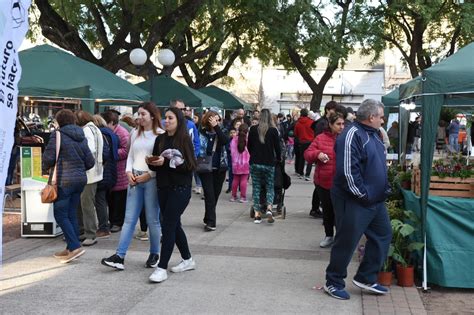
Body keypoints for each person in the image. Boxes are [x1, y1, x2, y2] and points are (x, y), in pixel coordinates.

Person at [324, 99, 391, 300]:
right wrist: (364, 195)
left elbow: (378, 164)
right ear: (371, 117)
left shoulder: (375, 134)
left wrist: (383, 189)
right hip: (355, 199)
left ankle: (366, 277)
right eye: (381, 116)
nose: (382, 119)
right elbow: (347, 172)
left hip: (374, 200)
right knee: (347, 240)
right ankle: (333, 282)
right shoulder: (351, 134)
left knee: (383, 235)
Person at [101, 102, 163, 270]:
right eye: (138, 114)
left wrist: (149, 175)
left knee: (152, 219)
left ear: (152, 115)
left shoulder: (160, 135)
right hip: (134, 177)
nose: (139, 117)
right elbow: (130, 155)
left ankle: (155, 253)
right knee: (129, 220)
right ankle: (119, 256)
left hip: (151, 179)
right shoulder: (134, 132)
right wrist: (128, 173)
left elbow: (161, 162)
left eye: (143, 114)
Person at [147, 107, 197, 283]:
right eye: (165, 118)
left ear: (178, 121)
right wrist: (153, 162)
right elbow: (154, 166)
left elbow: (190, 166)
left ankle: (162, 268)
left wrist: (168, 162)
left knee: (168, 226)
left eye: (170, 118)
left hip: (180, 189)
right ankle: (188, 259)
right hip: (163, 188)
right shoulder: (160, 139)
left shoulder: (184, 139)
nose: (166, 121)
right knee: (174, 225)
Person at [43, 109, 94, 263]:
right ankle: (70, 247)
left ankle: (74, 246)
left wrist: (47, 165)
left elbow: (48, 159)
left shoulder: (57, 135)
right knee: (71, 213)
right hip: (80, 180)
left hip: (64, 181)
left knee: (60, 214)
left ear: (59, 121)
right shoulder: (81, 136)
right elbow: (90, 162)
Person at [304, 112, 345, 248]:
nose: (341, 127)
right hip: (324, 182)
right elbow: (308, 154)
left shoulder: (346, 138)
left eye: (343, 124)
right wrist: (318, 154)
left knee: (340, 213)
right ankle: (329, 236)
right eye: (338, 124)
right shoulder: (320, 138)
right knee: (327, 212)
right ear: (330, 125)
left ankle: (340, 238)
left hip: (341, 183)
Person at [198, 108, 229, 231]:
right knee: (209, 195)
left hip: (220, 168)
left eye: (218, 119)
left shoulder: (222, 131)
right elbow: (201, 148)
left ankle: (208, 217)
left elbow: (225, 141)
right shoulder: (202, 132)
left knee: (215, 195)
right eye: (214, 119)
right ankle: (211, 222)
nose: (217, 121)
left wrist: (217, 128)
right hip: (205, 168)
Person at [247, 109, 281, 224]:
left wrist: (254, 155)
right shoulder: (273, 131)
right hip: (269, 163)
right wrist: (279, 159)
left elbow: (249, 146)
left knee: (256, 187)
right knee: (269, 186)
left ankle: (257, 214)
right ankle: (269, 208)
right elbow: (278, 148)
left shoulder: (252, 129)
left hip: (255, 162)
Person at [75, 110, 104, 247]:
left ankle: (90, 234)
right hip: (96, 172)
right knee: (86, 203)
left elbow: (90, 149)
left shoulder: (87, 130)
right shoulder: (96, 129)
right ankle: (85, 231)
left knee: (86, 204)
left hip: (88, 173)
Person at [101, 110, 130, 233]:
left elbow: (126, 150)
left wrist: (111, 153)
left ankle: (117, 222)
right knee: (111, 198)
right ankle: (112, 220)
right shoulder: (111, 132)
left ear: (111, 122)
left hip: (120, 171)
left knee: (119, 199)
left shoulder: (122, 133)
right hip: (111, 171)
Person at [92, 115, 119, 239]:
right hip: (112, 170)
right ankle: (105, 224)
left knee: (100, 199)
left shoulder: (100, 134)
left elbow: (103, 154)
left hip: (103, 171)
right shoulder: (111, 133)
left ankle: (103, 227)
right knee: (103, 199)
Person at [230, 123, 250, 202]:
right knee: (244, 180)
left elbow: (231, 151)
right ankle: (243, 197)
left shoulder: (234, 139)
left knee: (235, 179)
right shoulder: (248, 140)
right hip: (245, 163)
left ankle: (233, 196)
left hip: (235, 163)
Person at [294, 108, 314, 181]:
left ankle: (300, 173)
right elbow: (314, 131)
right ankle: (307, 174)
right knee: (310, 159)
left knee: (301, 157)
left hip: (302, 142)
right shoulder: (312, 122)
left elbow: (295, 133)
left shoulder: (298, 123)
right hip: (310, 141)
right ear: (307, 114)